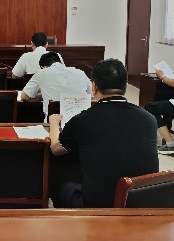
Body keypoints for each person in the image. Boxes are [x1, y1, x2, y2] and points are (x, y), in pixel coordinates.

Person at [49, 58, 159, 208]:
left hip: (98, 206)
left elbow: (56, 148)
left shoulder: (84, 119)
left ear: (94, 86)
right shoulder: (149, 119)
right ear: (126, 86)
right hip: (140, 202)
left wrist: (54, 122)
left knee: (59, 182)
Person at [21, 52, 91, 121]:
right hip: (83, 121)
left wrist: (43, 95)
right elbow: (93, 95)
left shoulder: (42, 73)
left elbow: (24, 97)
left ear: (43, 67)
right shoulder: (80, 72)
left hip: (54, 124)